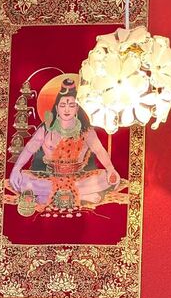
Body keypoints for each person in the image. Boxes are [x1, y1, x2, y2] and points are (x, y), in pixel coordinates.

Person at [8, 78, 121, 214]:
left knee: (104, 177)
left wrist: (111, 168)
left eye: (71, 105)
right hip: (50, 177)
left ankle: (48, 197)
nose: (67, 109)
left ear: (77, 108)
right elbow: (28, 149)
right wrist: (16, 168)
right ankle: (83, 196)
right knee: (23, 179)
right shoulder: (46, 129)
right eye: (63, 105)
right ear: (57, 108)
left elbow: (99, 150)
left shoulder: (86, 130)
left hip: (78, 177)